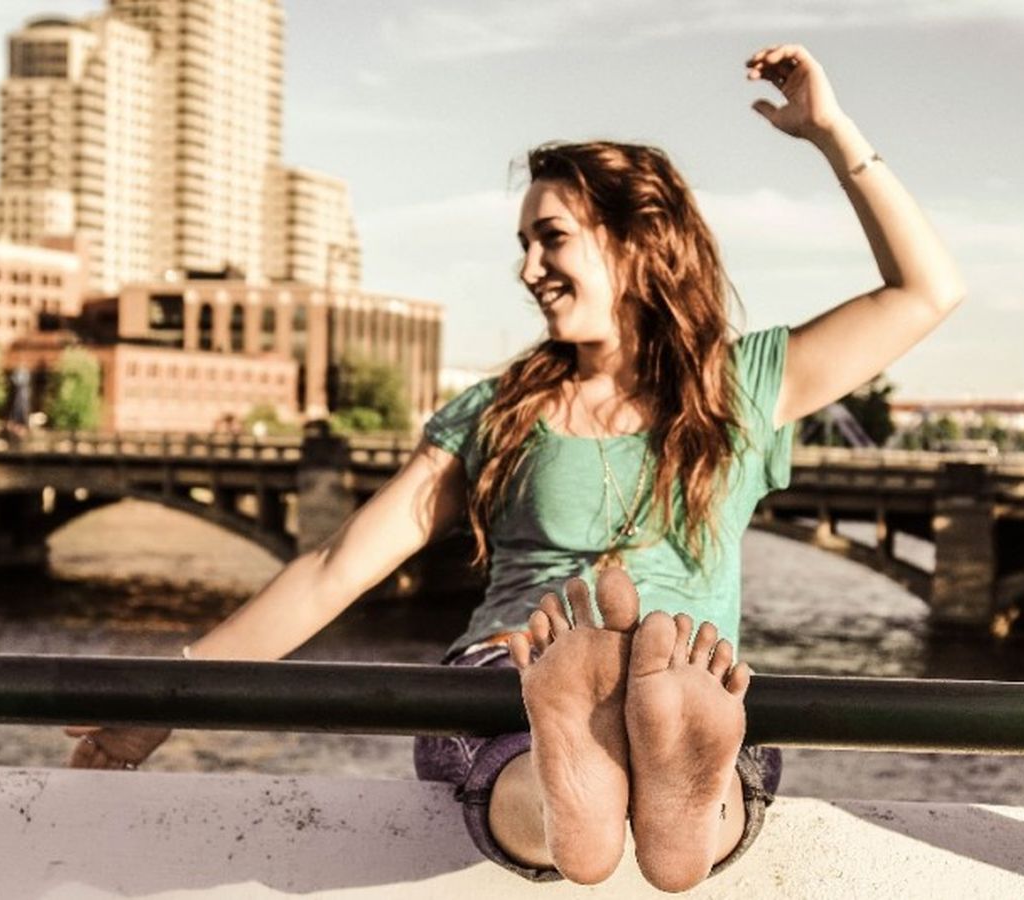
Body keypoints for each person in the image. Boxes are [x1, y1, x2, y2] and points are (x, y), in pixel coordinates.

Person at [67, 43, 964, 891]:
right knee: (646, 733)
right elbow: (336, 566)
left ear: (636, 240)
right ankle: (637, 772)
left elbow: (926, 291)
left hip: (624, 672)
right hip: (547, 661)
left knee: (539, 755)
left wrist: (831, 131)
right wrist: (168, 696)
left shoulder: (740, 383)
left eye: (552, 237)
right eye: (525, 243)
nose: (529, 267)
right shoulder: (499, 411)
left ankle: (603, 777)